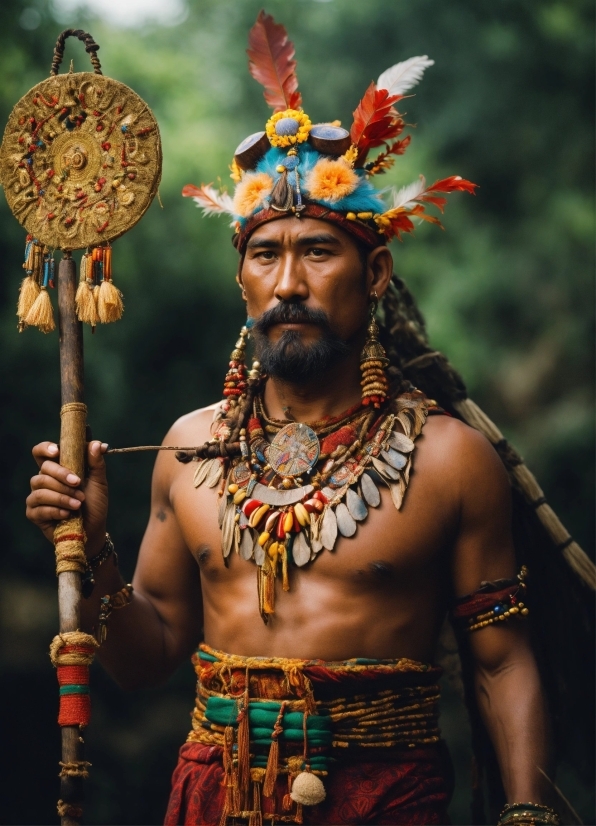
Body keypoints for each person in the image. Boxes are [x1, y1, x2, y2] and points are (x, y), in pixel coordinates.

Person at [25, 12, 588, 826]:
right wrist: (92, 549)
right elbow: (146, 660)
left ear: (376, 274)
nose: (289, 281)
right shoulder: (188, 449)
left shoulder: (449, 460)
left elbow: (501, 664)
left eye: (318, 252)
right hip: (213, 798)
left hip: (386, 800)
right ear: (242, 281)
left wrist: (529, 815)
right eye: (265, 254)